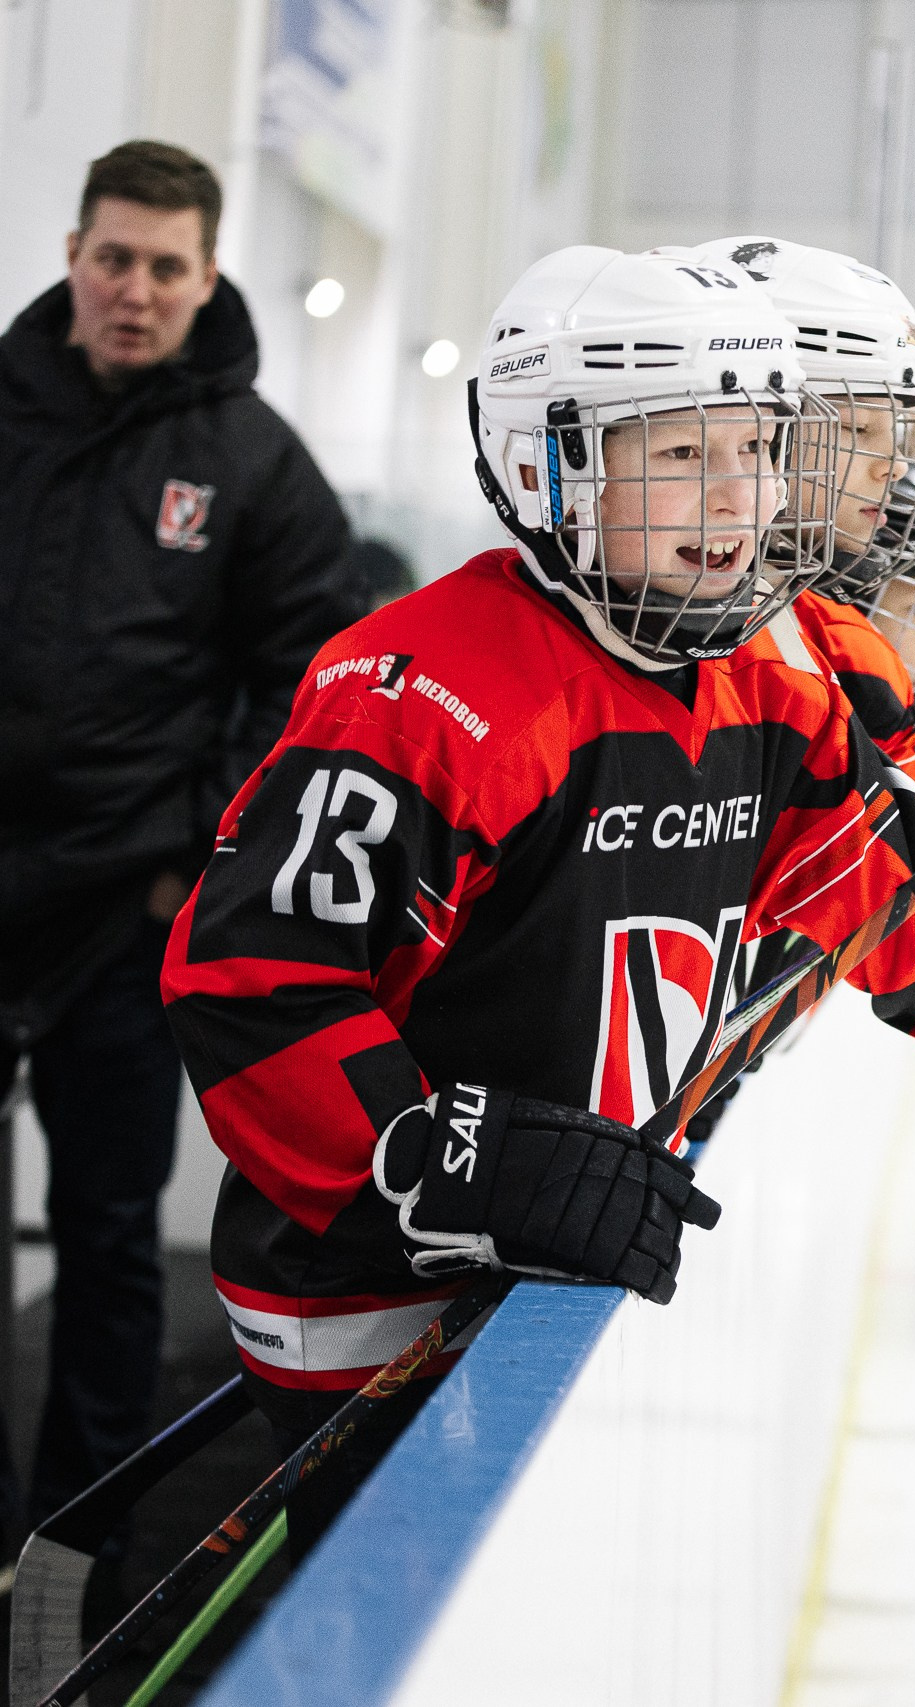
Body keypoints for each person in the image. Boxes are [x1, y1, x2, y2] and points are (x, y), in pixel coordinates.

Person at [160, 245, 915, 1541]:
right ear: (547, 463)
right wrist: (440, 1159)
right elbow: (256, 982)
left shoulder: (762, 686)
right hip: (375, 1298)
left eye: (757, 449)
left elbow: (907, 902)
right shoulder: (433, 695)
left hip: (558, 1261)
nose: (736, 495)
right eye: (680, 453)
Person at [0, 139, 362, 1538]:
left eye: (165, 266)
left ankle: (74, 1545)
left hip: (124, 918)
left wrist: (192, 861)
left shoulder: (253, 462)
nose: (134, 290)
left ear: (208, 277)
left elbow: (312, 684)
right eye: (113, 258)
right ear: (73, 258)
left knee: (108, 1237)